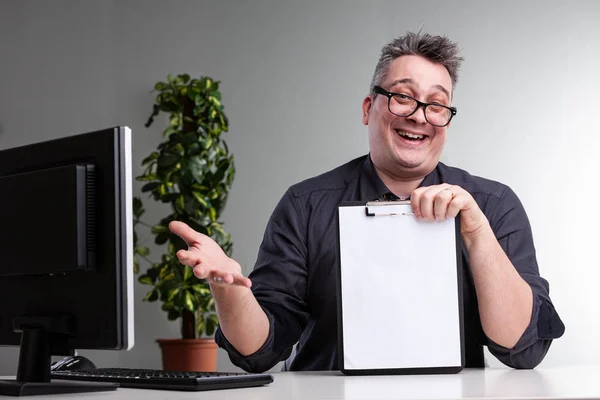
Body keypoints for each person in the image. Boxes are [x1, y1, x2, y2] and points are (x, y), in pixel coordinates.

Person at [169, 31, 565, 372]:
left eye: (437, 105)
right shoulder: (305, 204)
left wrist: (477, 231)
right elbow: (261, 349)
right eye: (402, 97)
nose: (419, 116)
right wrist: (228, 289)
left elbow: (521, 349)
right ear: (368, 108)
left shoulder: (493, 204)